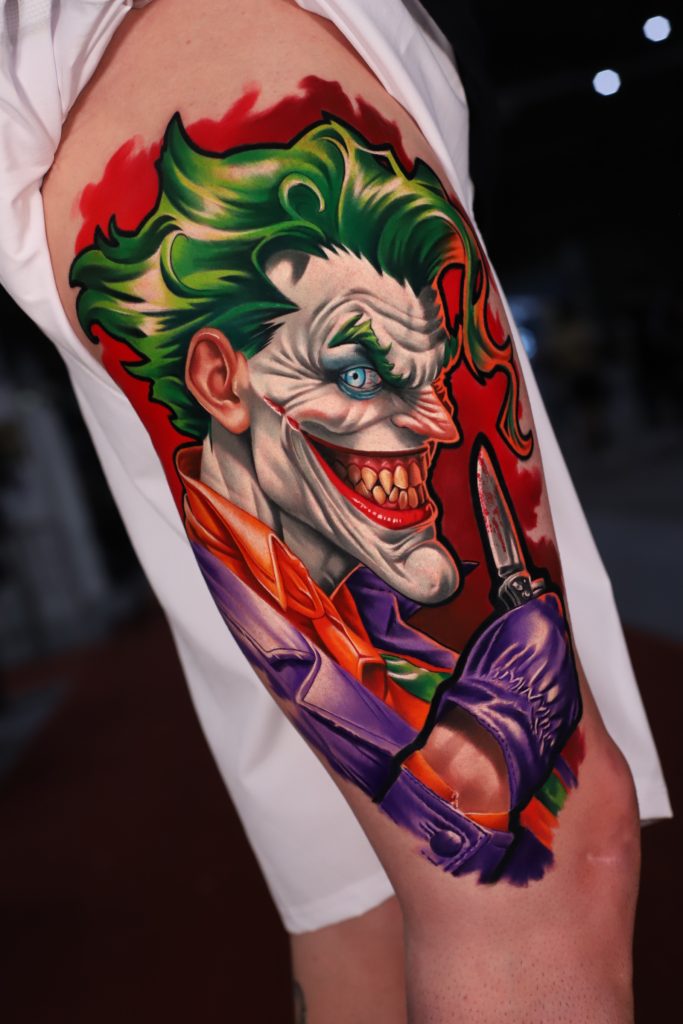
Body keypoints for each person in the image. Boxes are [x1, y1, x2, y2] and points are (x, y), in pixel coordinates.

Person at [1, 1, 671, 1020]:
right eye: (359, 371)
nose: (431, 421)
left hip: (91, 76)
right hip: (198, 34)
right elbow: (520, 843)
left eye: (420, 373)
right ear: (219, 377)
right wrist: (496, 724)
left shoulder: (283, 529)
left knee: (354, 901)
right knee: (544, 865)